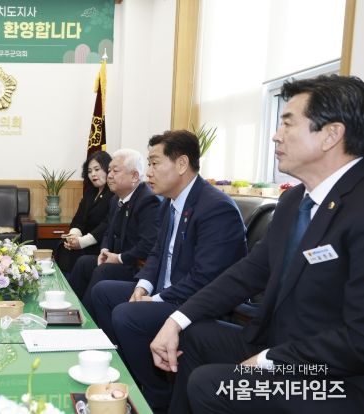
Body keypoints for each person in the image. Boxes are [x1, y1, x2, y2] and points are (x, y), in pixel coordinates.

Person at [150, 75, 364, 414]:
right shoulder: (294, 201)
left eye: (288, 124)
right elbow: (247, 273)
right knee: (192, 337)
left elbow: (358, 341)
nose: (276, 135)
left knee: (210, 385)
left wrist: (270, 360)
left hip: (334, 376)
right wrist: (178, 318)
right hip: (274, 342)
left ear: (331, 134)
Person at [91, 130, 247, 413]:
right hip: (167, 292)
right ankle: (130, 371)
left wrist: (156, 300)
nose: (148, 172)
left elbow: (206, 277)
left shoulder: (216, 208)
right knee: (103, 293)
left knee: (127, 314)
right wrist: (143, 287)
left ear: (182, 164)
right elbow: (156, 254)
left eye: (154, 163)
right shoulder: (170, 203)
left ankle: (158, 392)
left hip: (194, 302)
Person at [67, 149, 160, 315]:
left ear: (134, 176)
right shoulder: (116, 198)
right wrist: (104, 249)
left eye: (115, 171)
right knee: (83, 263)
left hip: (136, 266)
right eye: (109, 170)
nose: (109, 175)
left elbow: (147, 245)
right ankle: (70, 309)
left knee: (103, 270)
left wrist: (118, 258)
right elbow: (108, 230)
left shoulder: (147, 200)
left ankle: (87, 320)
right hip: (117, 258)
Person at [54, 150, 113, 274]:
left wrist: (81, 242)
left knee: (73, 254)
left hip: (98, 244)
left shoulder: (113, 193)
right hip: (82, 241)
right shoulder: (90, 192)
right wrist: (73, 236)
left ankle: (69, 284)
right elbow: (78, 219)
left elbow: (106, 225)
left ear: (108, 169)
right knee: (63, 245)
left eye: (97, 169)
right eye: (89, 171)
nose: (93, 174)